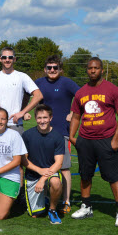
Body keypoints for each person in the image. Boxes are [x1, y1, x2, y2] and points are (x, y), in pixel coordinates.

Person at [69, 57, 118, 227]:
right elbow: (75, 116)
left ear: (102, 70)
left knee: (113, 176)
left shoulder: (112, 89)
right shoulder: (81, 92)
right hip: (85, 140)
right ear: (87, 70)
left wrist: (115, 139)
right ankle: (86, 206)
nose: (93, 71)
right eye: (90, 68)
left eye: (96, 68)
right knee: (85, 175)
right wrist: (73, 137)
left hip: (106, 140)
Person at [34, 55, 80, 214]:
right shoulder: (39, 82)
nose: (52, 70)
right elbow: (27, 95)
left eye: (55, 67)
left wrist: (73, 112)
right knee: (44, 166)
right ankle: (45, 197)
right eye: (49, 67)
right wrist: (24, 111)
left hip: (62, 132)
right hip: (42, 132)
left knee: (64, 168)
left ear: (60, 69)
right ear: (45, 69)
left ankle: (66, 201)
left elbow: (81, 96)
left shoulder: (67, 82)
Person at [21, 104, 64, 224]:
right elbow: (24, 160)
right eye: (39, 118)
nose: (42, 121)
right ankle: (44, 199)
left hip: (50, 172)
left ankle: (52, 210)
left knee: (55, 182)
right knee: (36, 215)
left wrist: (43, 179)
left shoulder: (58, 136)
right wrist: (39, 171)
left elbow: (58, 163)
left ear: (50, 118)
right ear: (35, 118)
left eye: (45, 117)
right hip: (33, 174)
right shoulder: (27, 135)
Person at [0, 47, 43, 135]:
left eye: (10, 57)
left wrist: (22, 112)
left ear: (14, 59)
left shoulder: (22, 76)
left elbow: (38, 95)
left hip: (16, 125)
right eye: (4, 57)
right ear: (0, 59)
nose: (7, 60)